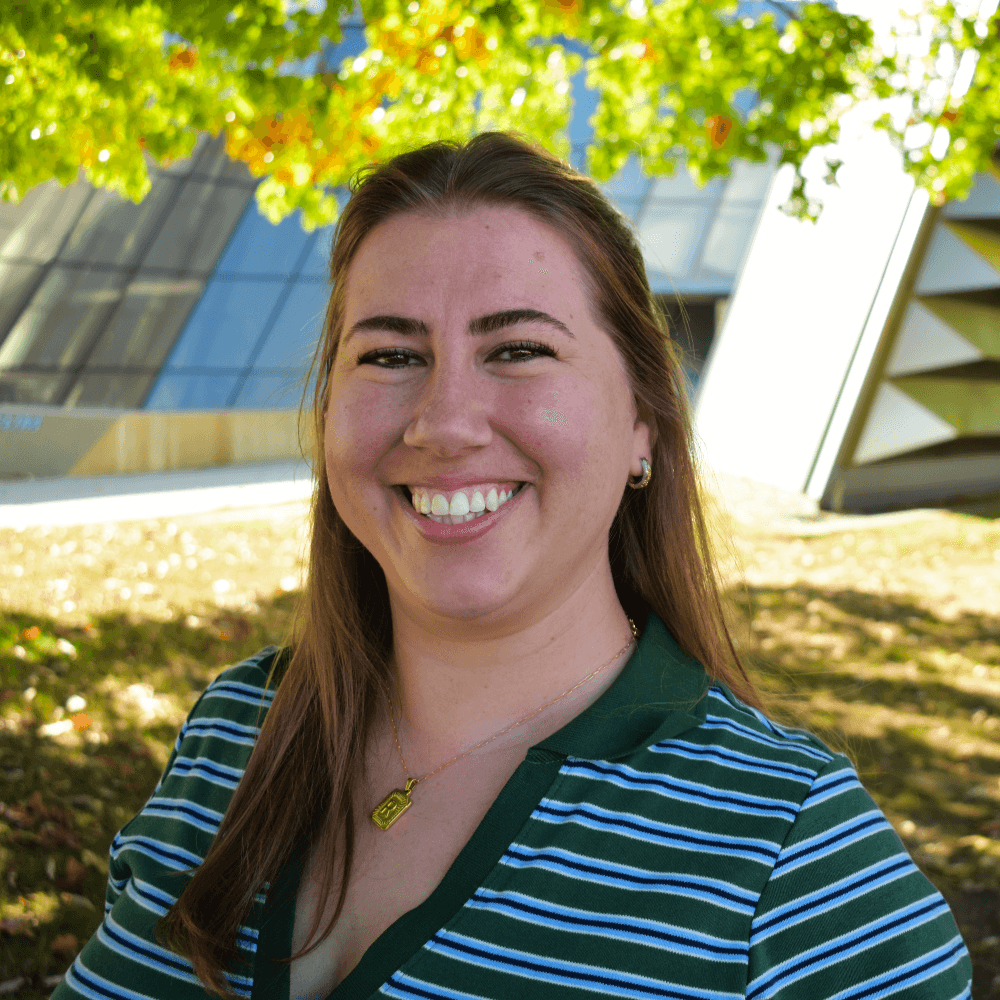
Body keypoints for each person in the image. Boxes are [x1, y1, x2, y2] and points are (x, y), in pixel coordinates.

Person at [53, 132, 972, 1000]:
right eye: (390, 354)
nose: (445, 422)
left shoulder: (795, 856)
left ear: (643, 424)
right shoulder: (233, 733)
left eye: (521, 350)